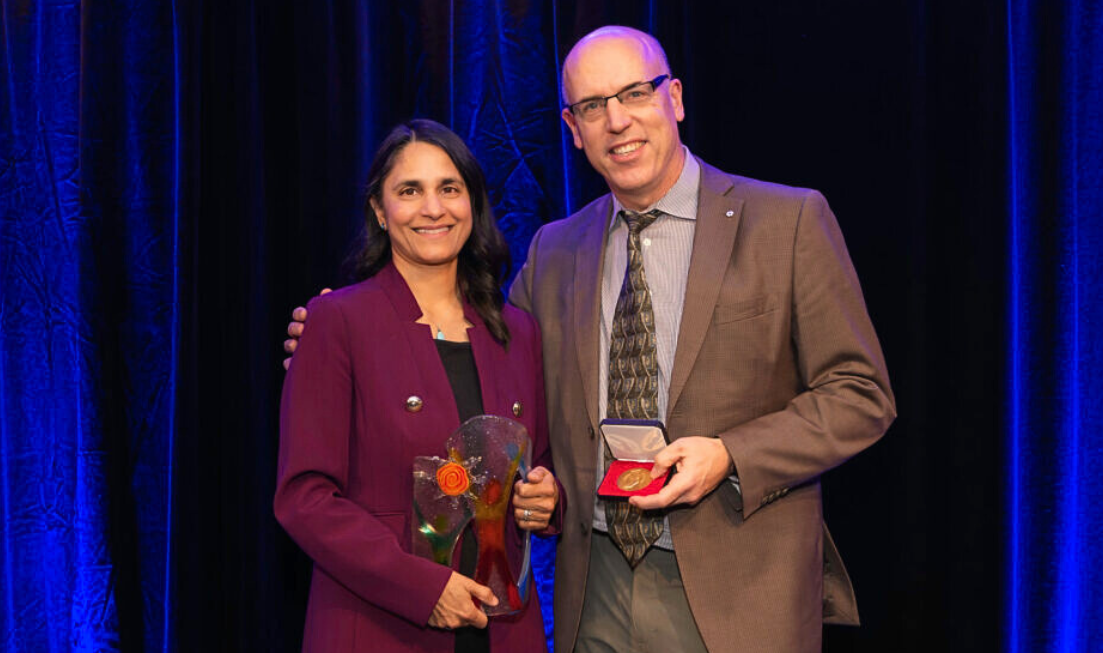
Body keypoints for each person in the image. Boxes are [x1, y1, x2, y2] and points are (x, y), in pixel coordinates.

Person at [287, 26, 895, 653]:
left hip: (737, 588)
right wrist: (347, 328)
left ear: (675, 98)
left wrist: (730, 455)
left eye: (634, 93)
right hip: (595, 587)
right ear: (572, 129)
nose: (617, 121)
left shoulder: (788, 222)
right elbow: (483, 354)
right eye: (592, 106)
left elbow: (861, 394)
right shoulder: (555, 249)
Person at [275, 119, 559, 653]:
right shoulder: (337, 321)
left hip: (506, 630)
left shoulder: (517, 331)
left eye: (449, 188)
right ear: (381, 212)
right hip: (381, 626)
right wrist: (424, 589)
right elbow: (304, 498)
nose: (433, 208)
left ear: (472, 203)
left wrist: (547, 499)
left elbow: (541, 463)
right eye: (410, 191)